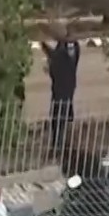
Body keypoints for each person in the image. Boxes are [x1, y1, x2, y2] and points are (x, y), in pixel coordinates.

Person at [39, 26, 80, 154]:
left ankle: (61, 146)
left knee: (61, 118)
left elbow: (58, 56)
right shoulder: (62, 46)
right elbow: (55, 57)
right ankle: (57, 145)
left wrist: (45, 46)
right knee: (56, 118)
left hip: (65, 88)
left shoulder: (71, 47)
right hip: (57, 88)